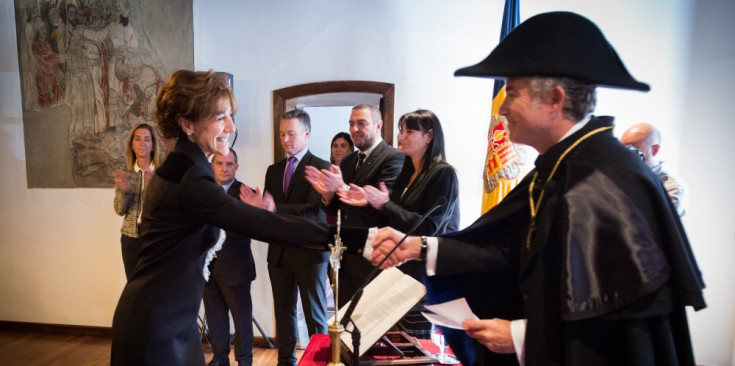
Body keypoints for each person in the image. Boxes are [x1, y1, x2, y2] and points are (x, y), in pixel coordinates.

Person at [370, 12, 705, 366]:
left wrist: (520, 335)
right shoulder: (566, 164)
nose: (501, 106)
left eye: (512, 92)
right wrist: (417, 247)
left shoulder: (601, 180)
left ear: (555, 100)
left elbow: (618, 320)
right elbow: (507, 243)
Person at [110, 70, 368, 366]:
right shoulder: (188, 176)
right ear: (187, 124)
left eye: (230, 116)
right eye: (220, 118)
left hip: (171, 320)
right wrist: (360, 239)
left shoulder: (188, 166)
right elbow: (265, 224)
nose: (231, 127)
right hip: (156, 326)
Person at [337, 109, 460, 339]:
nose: (401, 137)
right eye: (400, 130)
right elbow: (393, 216)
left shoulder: (443, 174)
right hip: (397, 270)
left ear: (429, 136)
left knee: (414, 344)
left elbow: (429, 228)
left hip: (421, 275)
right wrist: (371, 202)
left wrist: (385, 204)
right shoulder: (408, 171)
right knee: (390, 341)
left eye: (409, 131)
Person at [305, 103, 404, 307]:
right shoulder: (349, 161)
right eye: (351, 123)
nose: (354, 129)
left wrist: (340, 186)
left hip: (374, 258)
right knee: (345, 324)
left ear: (378, 126)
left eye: (361, 123)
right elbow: (339, 209)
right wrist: (328, 195)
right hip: (347, 257)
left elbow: (385, 207)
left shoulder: (393, 158)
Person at [264, 110, 330, 366]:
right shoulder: (273, 170)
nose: (286, 139)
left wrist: (274, 209)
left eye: (291, 133)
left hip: (310, 252)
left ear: (306, 133)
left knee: (315, 315)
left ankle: (319, 362)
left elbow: (314, 211)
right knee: (283, 314)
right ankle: (285, 361)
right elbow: (267, 210)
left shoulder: (321, 167)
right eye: (282, 134)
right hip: (278, 253)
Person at [203, 149, 257, 366]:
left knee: (242, 319)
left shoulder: (247, 194)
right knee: (215, 317)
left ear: (236, 166)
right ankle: (220, 358)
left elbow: (251, 227)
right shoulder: (203, 192)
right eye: (219, 163)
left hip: (235, 267)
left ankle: (245, 360)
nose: (224, 168)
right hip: (208, 267)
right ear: (212, 165)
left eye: (229, 164)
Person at [113, 122, 164, 280]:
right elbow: (120, 210)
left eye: (147, 139)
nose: (142, 143)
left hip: (156, 237)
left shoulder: (163, 172)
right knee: (134, 286)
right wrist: (124, 191)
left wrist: (150, 187)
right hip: (131, 239)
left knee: (155, 286)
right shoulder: (126, 173)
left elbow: (165, 210)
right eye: (138, 139)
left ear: (153, 145)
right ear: (132, 144)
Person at [621, 122, 688, 216]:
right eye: (622, 148)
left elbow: (660, 221)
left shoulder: (672, 186)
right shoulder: (621, 175)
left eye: (632, 148)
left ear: (655, 150)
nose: (626, 154)